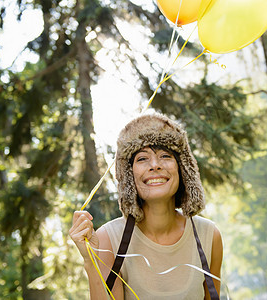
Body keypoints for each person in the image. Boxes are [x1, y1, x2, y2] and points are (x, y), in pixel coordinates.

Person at [69, 113, 223, 299]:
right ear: (129, 175)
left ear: (182, 169)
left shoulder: (208, 235)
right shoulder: (108, 240)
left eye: (165, 155)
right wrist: (90, 260)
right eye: (142, 158)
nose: (155, 165)